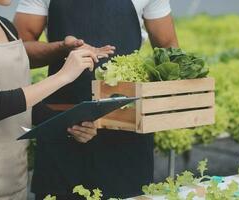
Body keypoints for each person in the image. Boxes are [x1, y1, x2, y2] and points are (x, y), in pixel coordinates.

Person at [0, 0, 113, 199]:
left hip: (15, 181)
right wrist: (64, 75)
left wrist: (71, 126)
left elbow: (25, 107)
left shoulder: (7, 27)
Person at [15, 0, 179, 199]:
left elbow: (168, 48)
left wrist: (177, 99)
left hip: (126, 131)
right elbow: (18, 49)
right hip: (63, 122)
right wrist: (62, 49)